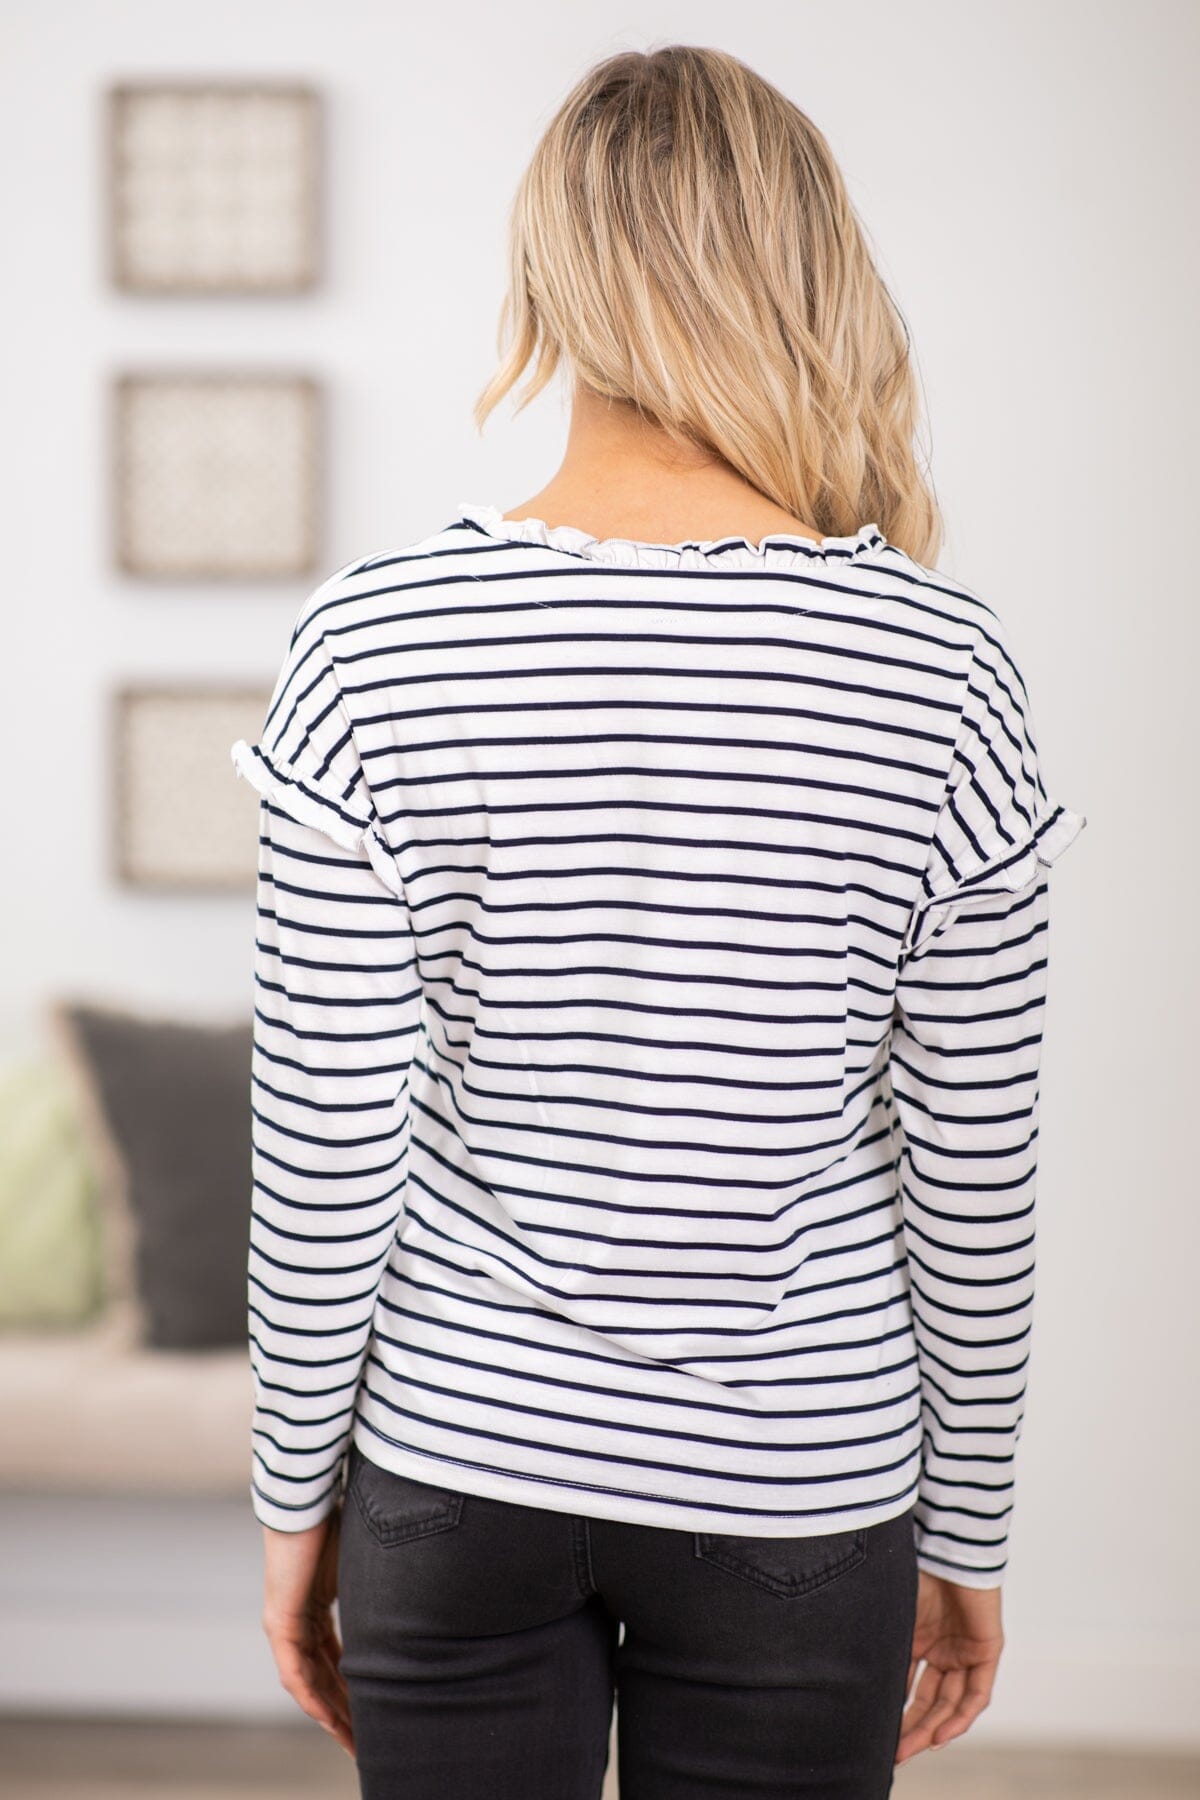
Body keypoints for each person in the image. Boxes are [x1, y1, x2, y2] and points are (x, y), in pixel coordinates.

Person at [231, 43, 1087, 1800]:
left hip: (458, 1463)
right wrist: (974, 1531)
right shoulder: (943, 669)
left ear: (546, 276)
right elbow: (968, 1167)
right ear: (806, 271)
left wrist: (289, 1507)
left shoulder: (374, 641)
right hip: (805, 1483)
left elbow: (323, 1138)